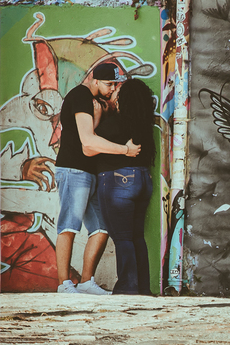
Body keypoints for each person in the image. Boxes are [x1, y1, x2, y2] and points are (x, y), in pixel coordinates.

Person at [53, 62, 141, 294]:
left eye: (115, 84)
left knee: (101, 228)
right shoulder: (81, 96)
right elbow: (88, 142)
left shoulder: (98, 103)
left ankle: (85, 282)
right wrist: (125, 150)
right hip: (73, 170)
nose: (112, 88)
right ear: (94, 80)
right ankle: (64, 284)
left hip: (91, 172)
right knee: (69, 225)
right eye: (109, 84)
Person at [89, 78, 156, 296]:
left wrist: (100, 114)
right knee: (136, 237)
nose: (114, 95)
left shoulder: (115, 124)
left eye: (118, 93)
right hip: (143, 180)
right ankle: (142, 288)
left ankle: (127, 287)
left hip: (119, 181)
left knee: (122, 237)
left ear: (124, 100)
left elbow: (90, 144)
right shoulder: (144, 125)